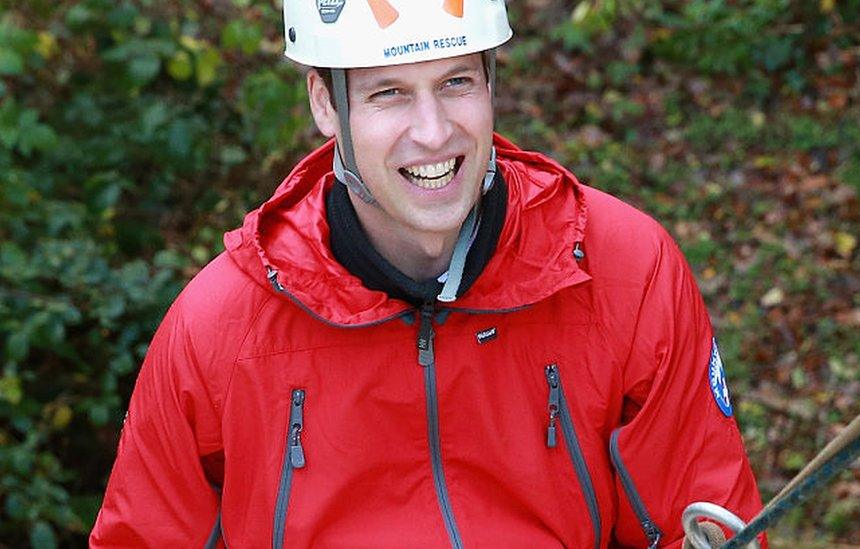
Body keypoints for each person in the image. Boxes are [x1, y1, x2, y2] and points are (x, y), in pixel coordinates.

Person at [90, 1, 764, 547]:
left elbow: (700, 519)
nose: (434, 132)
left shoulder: (621, 270)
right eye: (389, 94)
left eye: (456, 82)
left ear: (492, 83)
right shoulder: (221, 326)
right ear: (327, 106)